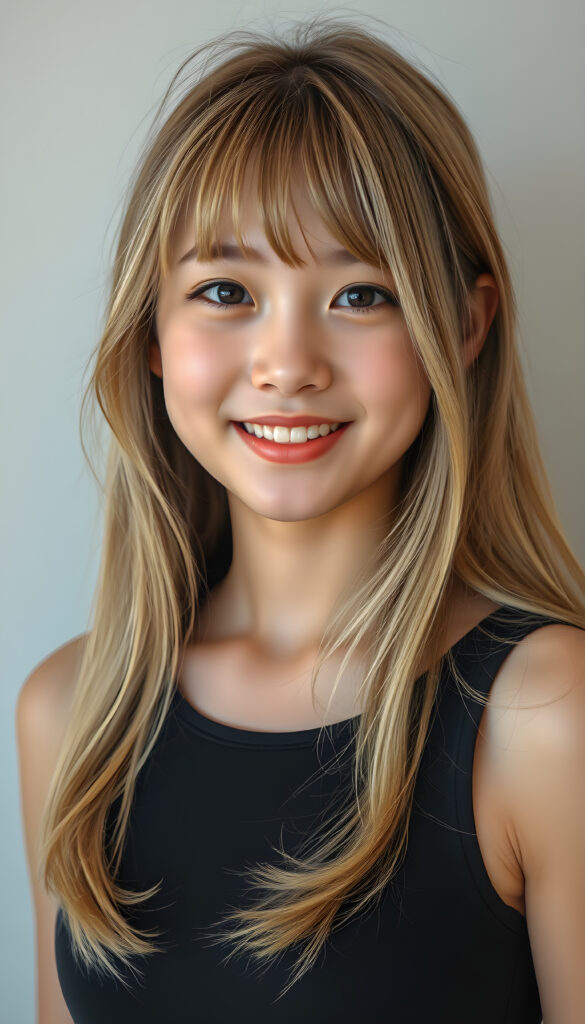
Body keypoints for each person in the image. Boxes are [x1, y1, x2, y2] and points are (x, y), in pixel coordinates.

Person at [16, 16, 585, 1024]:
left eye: (360, 294)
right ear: (152, 333)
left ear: (463, 325)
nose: (287, 364)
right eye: (224, 290)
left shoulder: (546, 716)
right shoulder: (69, 713)